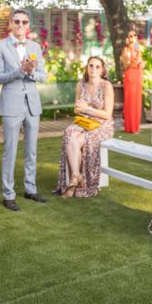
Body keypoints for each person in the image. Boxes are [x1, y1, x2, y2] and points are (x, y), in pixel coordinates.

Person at [0, 9, 48, 211]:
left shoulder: (35, 46)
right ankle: (8, 194)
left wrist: (32, 72)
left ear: (28, 25)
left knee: (31, 150)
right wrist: (20, 71)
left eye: (24, 22)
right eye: (16, 21)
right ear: (10, 23)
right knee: (10, 151)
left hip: (32, 104)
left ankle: (30, 188)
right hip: (11, 104)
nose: (20, 25)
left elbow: (43, 75)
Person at [54, 57, 115, 198]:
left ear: (102, 69)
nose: (94, 69)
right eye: (91, 66)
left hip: (102, 124)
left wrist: (87, 109)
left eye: (97, 66)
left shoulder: (107, 86)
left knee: (79, 139)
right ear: (87, 67)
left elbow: (107, 114)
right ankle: (76, 175)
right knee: (69, 133)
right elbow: (76, 110)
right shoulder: (80, 85)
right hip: (84, 121)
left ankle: (74, 184)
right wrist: (82, 110)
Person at [121, 30, 144, 133]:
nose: (133, 37)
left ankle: (136, 126)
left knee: (137, 100)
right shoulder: (125, 50)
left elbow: (141, 64)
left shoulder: (138, 50)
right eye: (130, 36)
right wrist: (135, 60)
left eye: (135, 35)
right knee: (130, 100)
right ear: (127, 38)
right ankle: (130, 127)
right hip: (130, 75)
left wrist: (141, 63)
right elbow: (126, 65)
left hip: (138, 75)